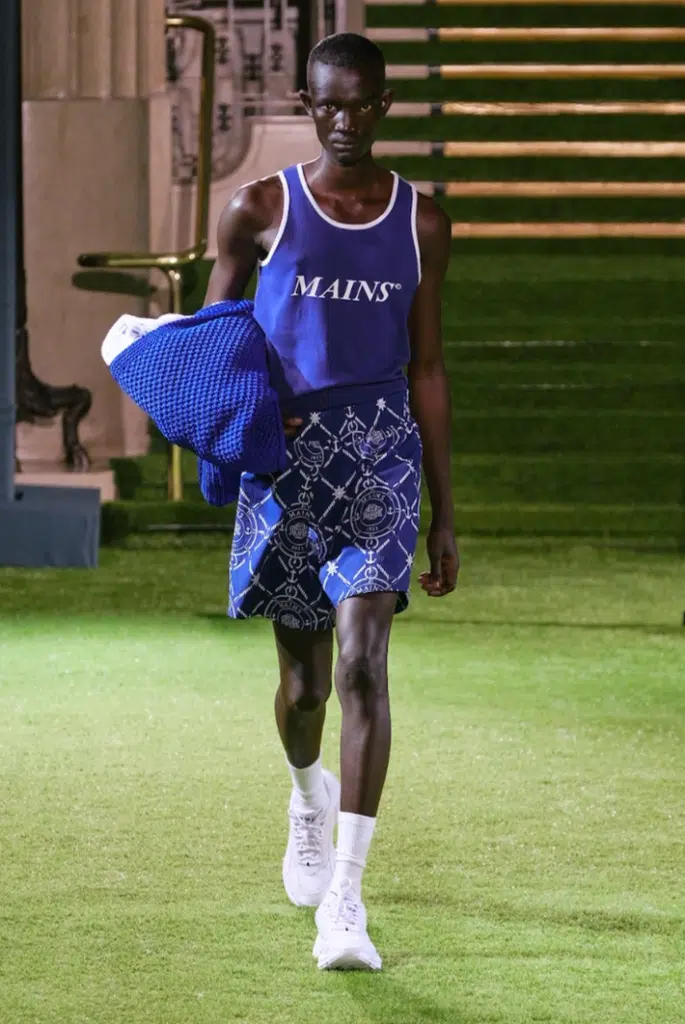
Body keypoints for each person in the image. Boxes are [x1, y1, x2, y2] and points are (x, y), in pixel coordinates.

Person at [204, 31, 459, 971]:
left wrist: (445, 510)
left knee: (362, 665)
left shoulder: (420, 223)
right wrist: (238, 435)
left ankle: (345, 903)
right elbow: (210, 343)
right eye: (328, 105)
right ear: (307, 105)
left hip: (381, 455)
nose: (344, 121)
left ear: (384, 105)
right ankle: (305, 793)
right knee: (305, 686)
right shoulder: (257, 209)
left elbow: (428, 367)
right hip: (287, 464)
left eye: (360, 104)